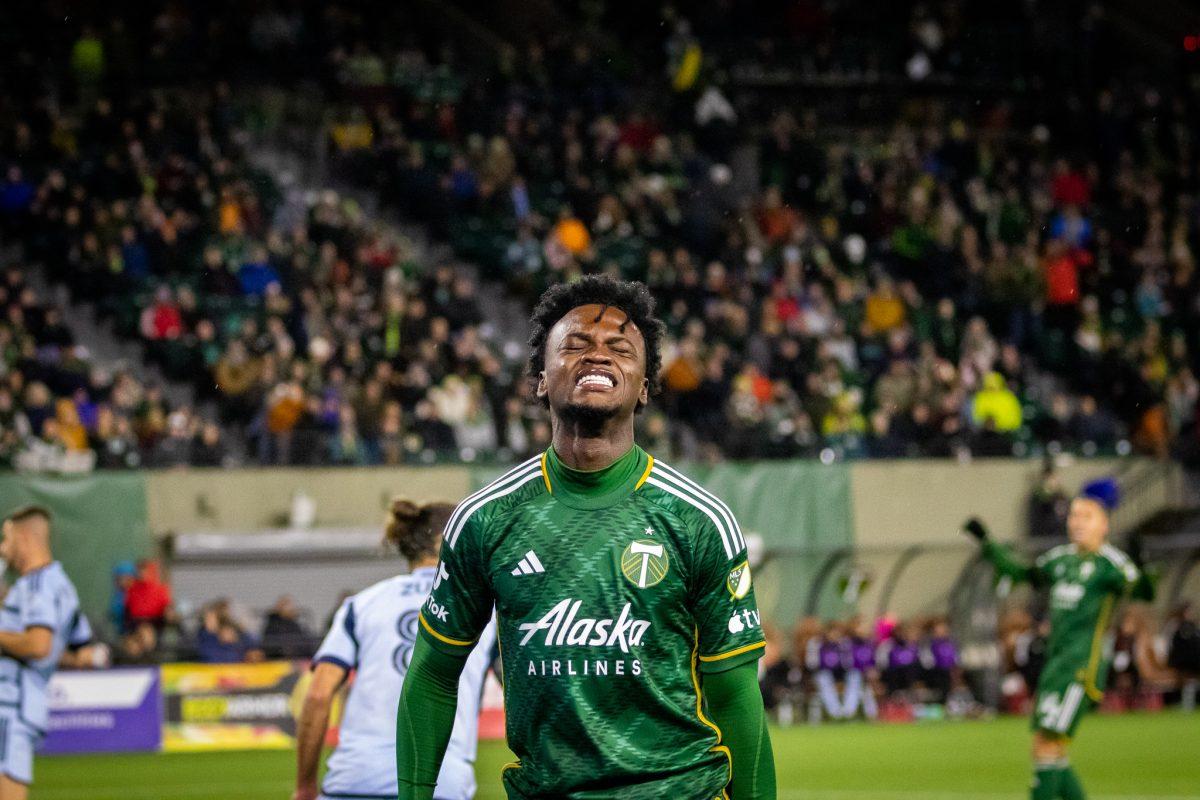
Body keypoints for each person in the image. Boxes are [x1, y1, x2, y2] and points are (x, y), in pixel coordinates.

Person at [397, 276, 776, 799]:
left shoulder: (698, 520)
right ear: (540, 378)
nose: (597, 356)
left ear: (644, 385)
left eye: (620, 349)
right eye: (575, 345)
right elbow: (434, 675)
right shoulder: (484, 519)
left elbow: (736, 699)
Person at [963, 477, 1154, 800]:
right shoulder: (1060, 559)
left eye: (1086, 517)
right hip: (1056, 666)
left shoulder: (1110, 565)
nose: (1077, 523)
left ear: (1104, 524)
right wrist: (987, 543)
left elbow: (1146, 593)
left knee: (1047, 744)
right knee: (1048, 747)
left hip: (1081, 666)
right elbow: (1020, 572)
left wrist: (1141, 563)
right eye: (1074, 516)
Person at [293, 500, 496, 800]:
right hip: (442, 783)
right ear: (452, 540)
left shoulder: (362, 604)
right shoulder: (486, 609)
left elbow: (318, 695)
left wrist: (305, 786)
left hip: (355, 781)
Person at [0, 506, 92, 800]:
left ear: (24, 536)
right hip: (25, 706)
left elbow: (39, 646)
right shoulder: (62, 586)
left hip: (10, 709)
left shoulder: (37, 585)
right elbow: (82, 653)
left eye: (6, 539)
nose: (3, 550)